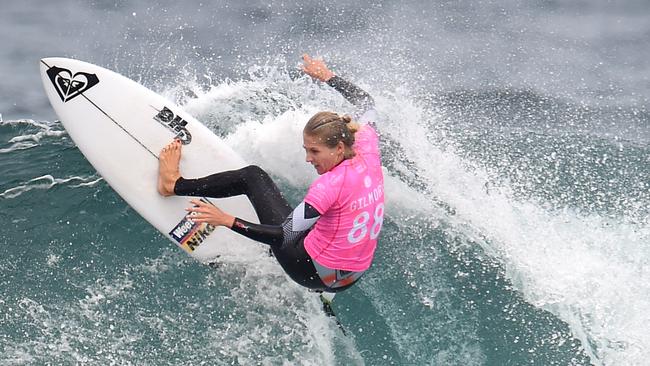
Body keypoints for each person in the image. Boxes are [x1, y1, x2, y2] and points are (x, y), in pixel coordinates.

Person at [157, 54, 384, 293]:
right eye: (306, 150)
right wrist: (328, 76)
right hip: (351, 277)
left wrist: (226, 220)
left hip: (310, 274)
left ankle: (173, 184)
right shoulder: (367, 145)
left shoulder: (329, 185)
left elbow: (282, 236)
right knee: (321, 220)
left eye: (315, 151)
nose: (308, 159)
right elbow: (366, 101)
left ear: (339, 147)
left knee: (253, 177)